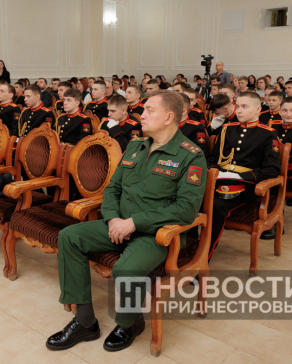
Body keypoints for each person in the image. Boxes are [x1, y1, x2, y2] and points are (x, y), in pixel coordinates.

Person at [47, 91, 206, 353]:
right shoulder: (135, 146)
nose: (141, 115)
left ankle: (130, 323)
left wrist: (134, 222)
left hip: (156, 234)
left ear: (169, 117)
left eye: (149, 110)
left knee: (126, 269)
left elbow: (186, 210)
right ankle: (85, 321)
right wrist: (113, 219)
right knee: (69, 236)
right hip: (118, 223)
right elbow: (113, 188)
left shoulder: (191, 155)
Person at [207, 91, 281, 253]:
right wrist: (214, 171)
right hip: (218, 181)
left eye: (245, 107)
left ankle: (204, 253)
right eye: (238, 106)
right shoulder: (227, 129)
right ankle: (188, 245)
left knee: (216, 206)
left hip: (245, 187)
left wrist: (239, 176)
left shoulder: (267, 134)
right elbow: (213, 158)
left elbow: (273, 169)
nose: (239, 111)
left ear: (258, 109)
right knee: (191, 200)